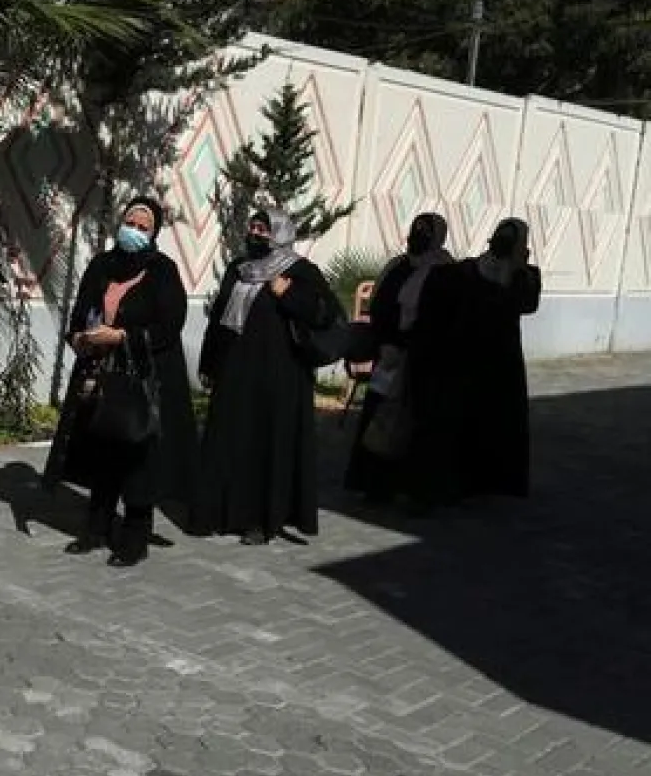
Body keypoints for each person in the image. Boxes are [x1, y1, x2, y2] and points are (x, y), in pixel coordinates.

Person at [42, 197, 197, 567]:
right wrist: (80, 337)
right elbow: (81, 312)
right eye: (130, 222)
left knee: (136, 456)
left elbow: (168, 327)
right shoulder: (102, 265)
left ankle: (135, 537)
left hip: (142, 381)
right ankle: (96, 529)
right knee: (101, 451)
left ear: (154, 232)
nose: (135, 230)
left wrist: (123, 336)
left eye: (143, 227)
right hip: (99, 375)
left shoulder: (163, 271)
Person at [195, 208, 338, 545]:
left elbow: (324, 314)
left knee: (264, 445)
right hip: (234, 373)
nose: (256, 233)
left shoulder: (300, 271)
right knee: (229, 440)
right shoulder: (239, 269)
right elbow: (219, 318)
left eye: (264, 228)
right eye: (253, 226)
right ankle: (219, 512)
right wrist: (209, 362)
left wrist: (287, 293)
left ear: (281, 232)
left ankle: (259, 520)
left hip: (278, 378)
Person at [408, 217, 541, 505]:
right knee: (460, 421)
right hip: (465, 356)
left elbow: (526, 304)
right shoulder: (466, 270)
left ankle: (487, 481)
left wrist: (518, 270)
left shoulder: (524, 275)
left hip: (500, 360)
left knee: (494, 423)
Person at [344, 213, 452, 504]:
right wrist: (383, 340)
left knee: (413, 423)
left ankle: (413, 489)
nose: (416, 237)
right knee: (379, 419)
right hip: (388, 355)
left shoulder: (444, 272)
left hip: (422, 362)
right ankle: (373, 485)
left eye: (424, 233)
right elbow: (380, 303)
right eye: (414, 230)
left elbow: (444, 319)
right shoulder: (398, 266)